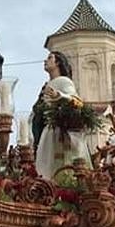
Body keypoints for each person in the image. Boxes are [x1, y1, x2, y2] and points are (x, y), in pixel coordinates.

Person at [33, 51, 90, 179]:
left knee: (61, 166)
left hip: (60, 133)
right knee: (46, 168)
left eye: (49, 58)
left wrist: (60, 96)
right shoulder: (46, 86)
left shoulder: (64, 81)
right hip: (48, 132)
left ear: (58, 62)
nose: (45, 61)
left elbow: (77, 101)